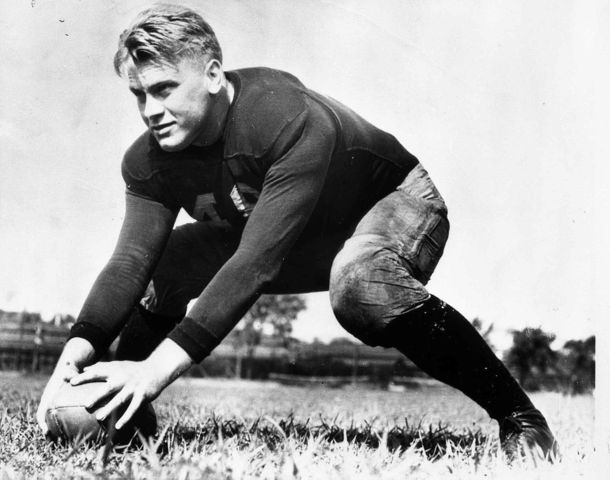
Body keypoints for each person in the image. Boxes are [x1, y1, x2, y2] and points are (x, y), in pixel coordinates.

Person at [37, 4, 557, 460]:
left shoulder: (284, 116)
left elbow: (256, 262)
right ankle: (126, 420)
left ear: (214, 75)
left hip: (389, 203)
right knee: (160, 267)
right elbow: (130, 262)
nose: (150, 111)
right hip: (294, 235)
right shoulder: (149, 160)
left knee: (360, 285)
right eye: (139, 95)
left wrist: (153, 370)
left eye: (164, 89)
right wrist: (73, 358)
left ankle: (521, 418)